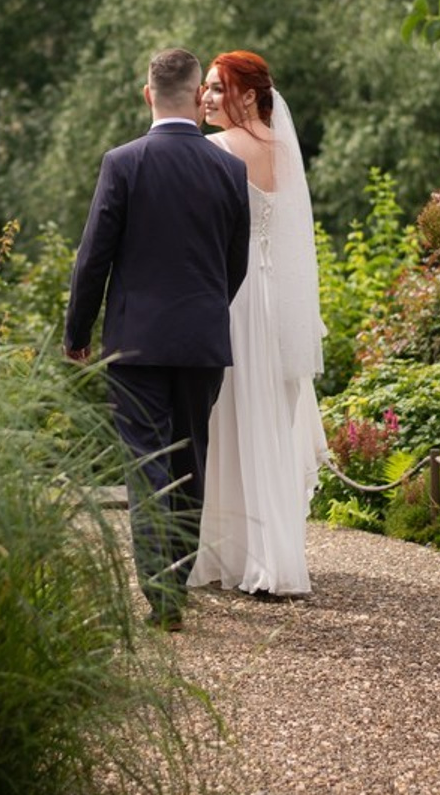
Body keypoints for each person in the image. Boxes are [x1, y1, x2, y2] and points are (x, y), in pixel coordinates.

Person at [65, 47, 251, 632]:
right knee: (190, 461)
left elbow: (93, 257)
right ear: (200, 97)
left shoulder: (122, 162)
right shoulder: (230, 170)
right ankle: (175, 583)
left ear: (149, 94)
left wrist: (78, 332)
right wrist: (205, 312)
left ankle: (161, 597)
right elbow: (235, 263)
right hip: (201, 342)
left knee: (146, 464)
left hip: (135, 345)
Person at [188, 50, 328, 598]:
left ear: (248, 96)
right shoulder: (283, 150)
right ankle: (272, 553)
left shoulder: (217, 149)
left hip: (236, 295)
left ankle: (230, 553)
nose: (208, 98)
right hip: (276, 299)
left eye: (219, 89)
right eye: (207, 89)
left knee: (229, 419)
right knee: (265, 416)